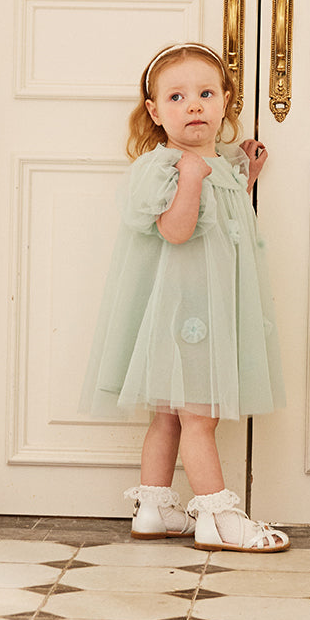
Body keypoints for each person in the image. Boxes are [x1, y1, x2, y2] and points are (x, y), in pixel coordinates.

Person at [80, 42, 288, 552]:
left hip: (203, 304)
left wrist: (244, 175)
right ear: (154, 111)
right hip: (186, 312)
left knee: (170, 413)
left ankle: (154, 509)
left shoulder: (216, 162)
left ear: (224, 102)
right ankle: (220, 518)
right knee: (200, 414)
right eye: (176, 97)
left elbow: (225, 201)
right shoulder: (168, 166)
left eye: (205, 93)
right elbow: (176, 232)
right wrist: (192, 181)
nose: (192, 105)